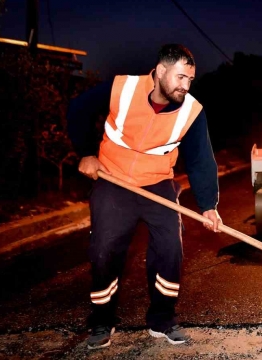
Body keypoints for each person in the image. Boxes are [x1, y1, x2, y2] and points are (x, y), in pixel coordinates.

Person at [67, 44, 222, 350]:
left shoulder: (192, 111)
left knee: (170, 247)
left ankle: (162, 320)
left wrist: (209, 206)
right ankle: (102, 320)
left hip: (156, 183)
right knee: (104, 249)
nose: (185, 85)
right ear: (160, 71)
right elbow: (78, 110)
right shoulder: (122, 87)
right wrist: (86, 153)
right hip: (113, 178)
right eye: (180, 77)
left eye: (190, 79)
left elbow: (201, 159)